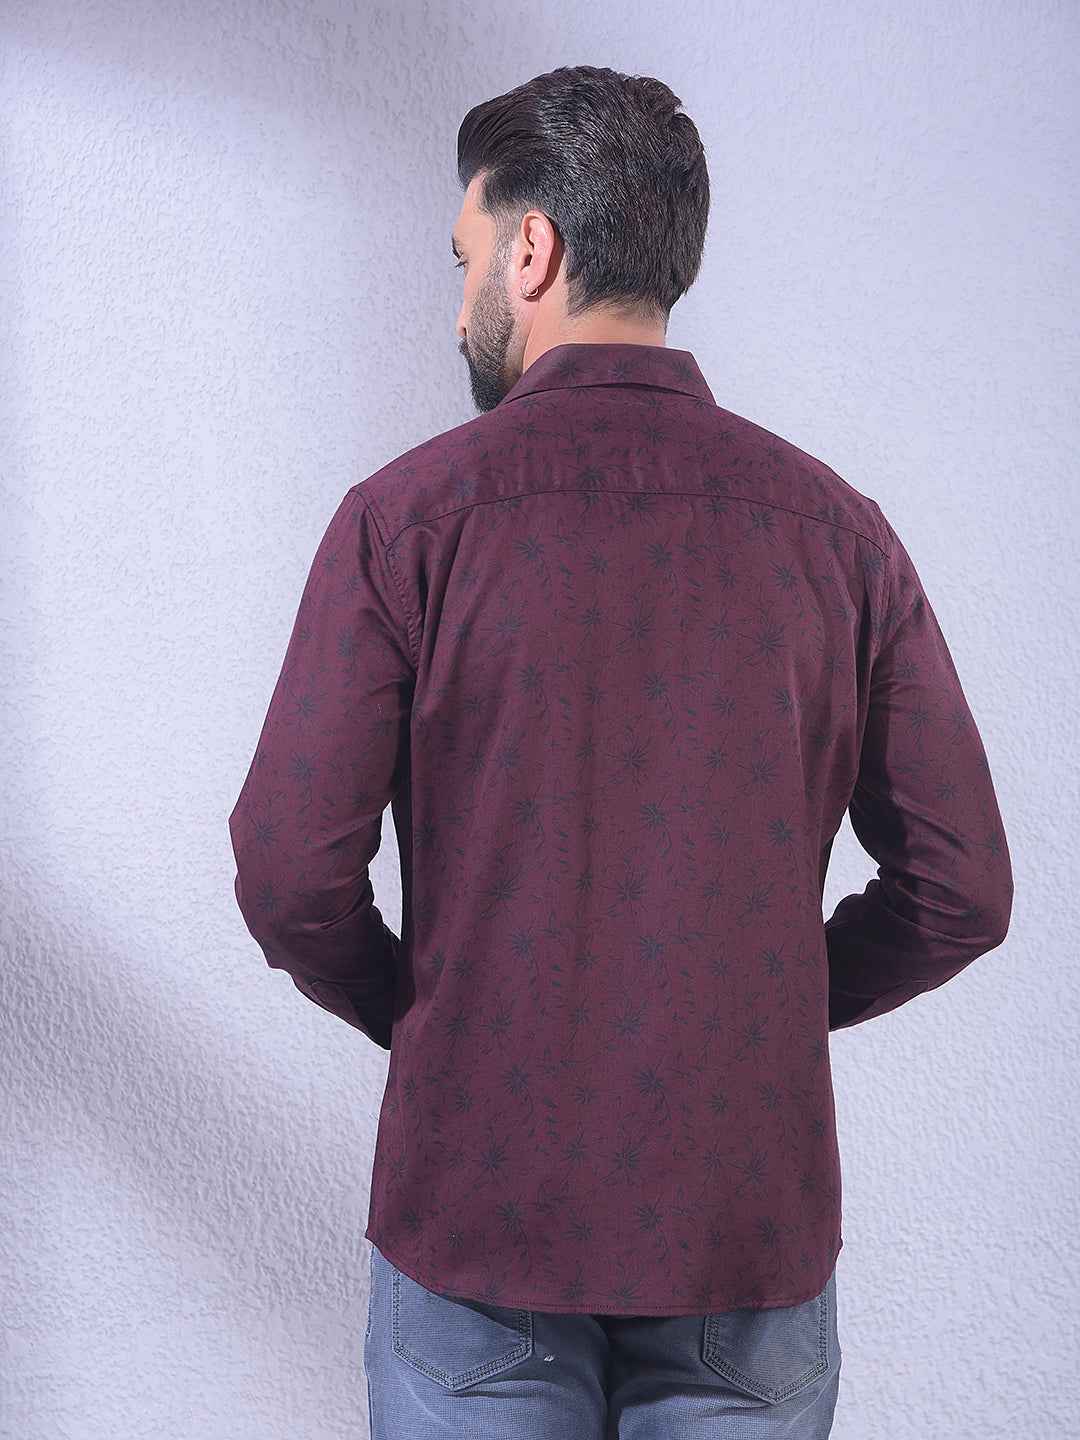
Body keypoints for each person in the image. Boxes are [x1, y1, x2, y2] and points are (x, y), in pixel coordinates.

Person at [228, 64, 1013, 1439]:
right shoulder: (837, 534)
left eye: (466, 257)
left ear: (532, 250)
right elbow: (963, 888)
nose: (458, 303)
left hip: (480, 1219)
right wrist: (758, 1009)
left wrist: (435, 1019)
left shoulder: (407, 522)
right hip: (742, 1226)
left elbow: (290, 873)